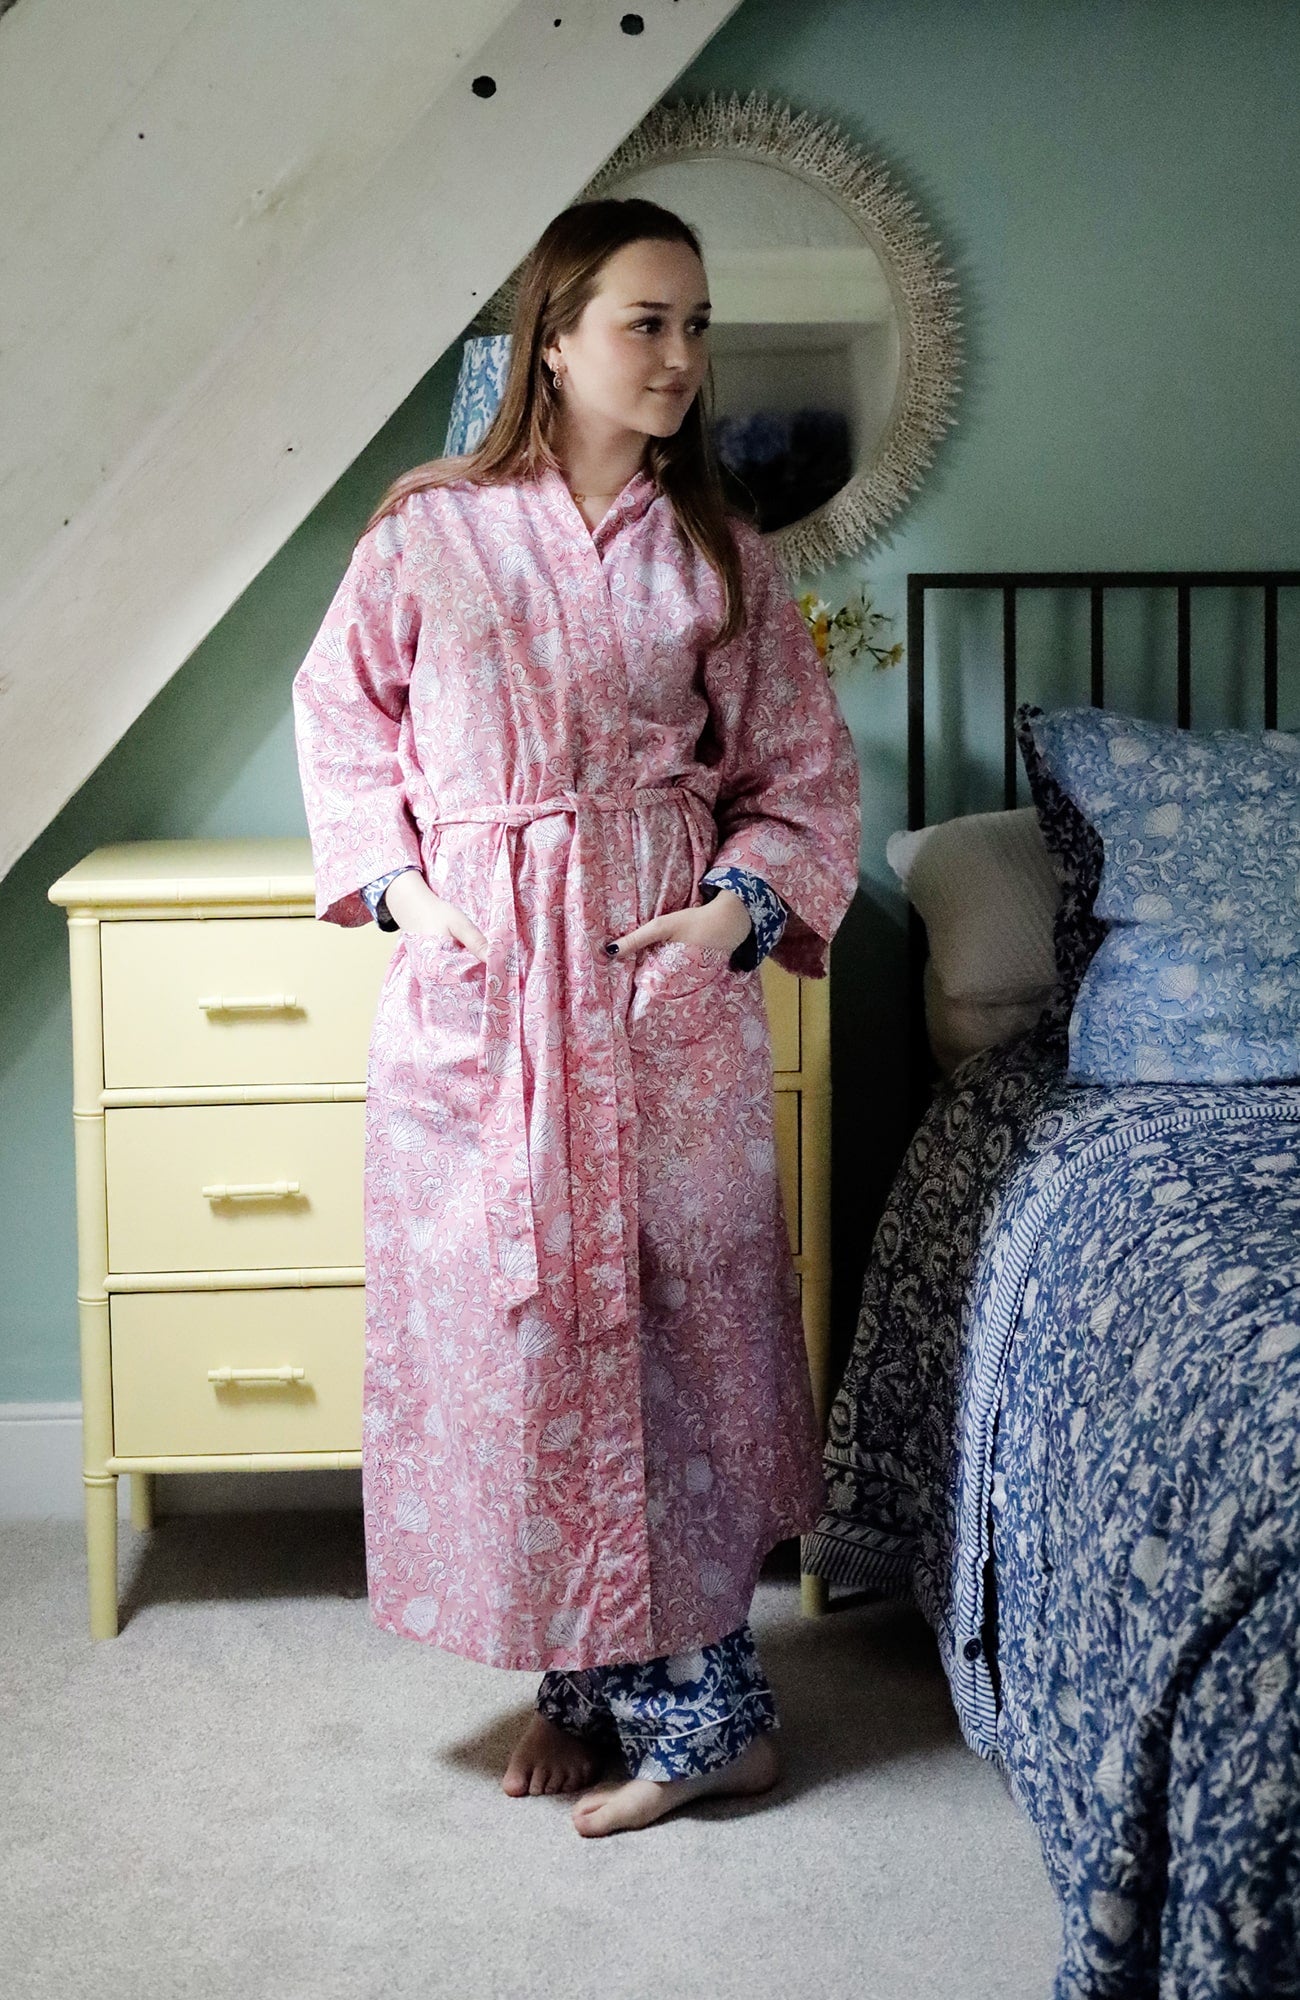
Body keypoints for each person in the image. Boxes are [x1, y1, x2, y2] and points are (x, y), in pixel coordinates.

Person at [291, 197, 862, 1837]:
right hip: (489, 988)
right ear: (553, 336)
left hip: (651, 978)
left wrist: (735, 912)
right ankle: (582, 1683)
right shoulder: (427, 531)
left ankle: (715, 1722)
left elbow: (799, 778)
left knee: (675, 1335)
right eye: (645, 323)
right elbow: (343, 722)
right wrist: (408, 896)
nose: (682, 357)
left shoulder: (719, 552)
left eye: (698, 324)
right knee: (521, 1334)